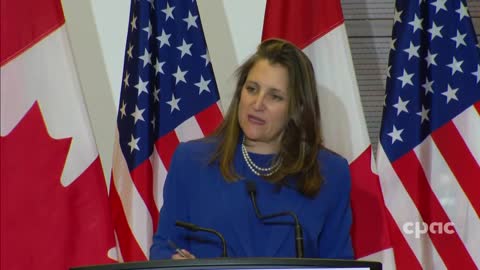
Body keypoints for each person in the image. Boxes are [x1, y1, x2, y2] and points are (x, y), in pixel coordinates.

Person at [149, 38, 353, 259]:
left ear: (297, 107)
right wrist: (175, 261)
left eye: (274, 96)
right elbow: (164, 246)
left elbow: (339, 261)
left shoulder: (330, 173)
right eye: (252, 89)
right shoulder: (191, 161)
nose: (257, 104)